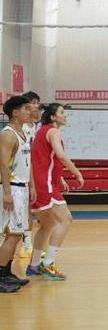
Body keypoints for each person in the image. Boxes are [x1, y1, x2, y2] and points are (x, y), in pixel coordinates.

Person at [27, 103, 84, 281]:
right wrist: (77, 173)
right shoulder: (53, 131)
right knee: (66, 219)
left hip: (41, 182)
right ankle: (48, 263)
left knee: (47, 225)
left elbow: (45, 159)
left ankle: (34, 265)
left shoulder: (42, 131)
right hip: (45, 184)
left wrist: (59, 178)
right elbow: (61, 156)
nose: (65, 115)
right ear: (53, 117)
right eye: (61, 112)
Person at [0, 96, 34, 292]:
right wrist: (7, 193)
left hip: (22, 186)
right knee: (12, 233)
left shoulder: (23, 132)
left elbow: (26, 163)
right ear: (15, 112)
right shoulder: (8, 135)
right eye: (26, 109)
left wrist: (31, 186)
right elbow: (3, 165)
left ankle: (6, 272)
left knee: (17, 233)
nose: (30, 112)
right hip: (12, 187)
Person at [19, 90, 41, 258]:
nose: (36, 106)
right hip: (24, 171)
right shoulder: (21, 127)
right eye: (33, 102)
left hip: (38, 170)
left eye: (37, 102)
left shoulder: (39, 127)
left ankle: (36, 245)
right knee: (24, 209)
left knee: (38, 210)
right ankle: (26, 243)